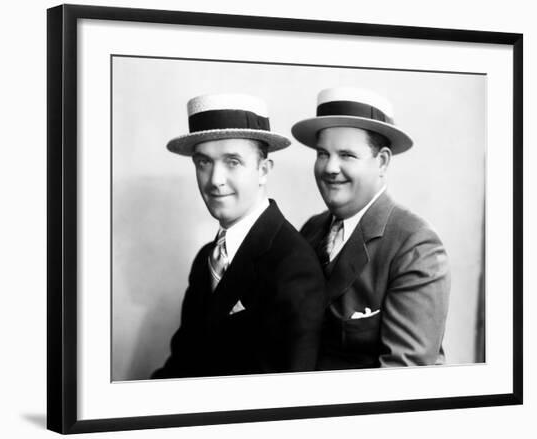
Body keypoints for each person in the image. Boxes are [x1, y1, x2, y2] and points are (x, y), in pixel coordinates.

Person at [152, 93, 326, 379]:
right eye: (203, 162)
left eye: (232, 161)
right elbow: (181, 364)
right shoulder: (205, 260)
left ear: (263, 170)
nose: (215, 179)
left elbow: (288, 396)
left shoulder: (293, 266)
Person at [292, 87, 450, 369]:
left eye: (347, 155)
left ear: (382, 161)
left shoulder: (415, 245)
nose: (330, 168)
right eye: (322, 154)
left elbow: (405, 375)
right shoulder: (312, 231)